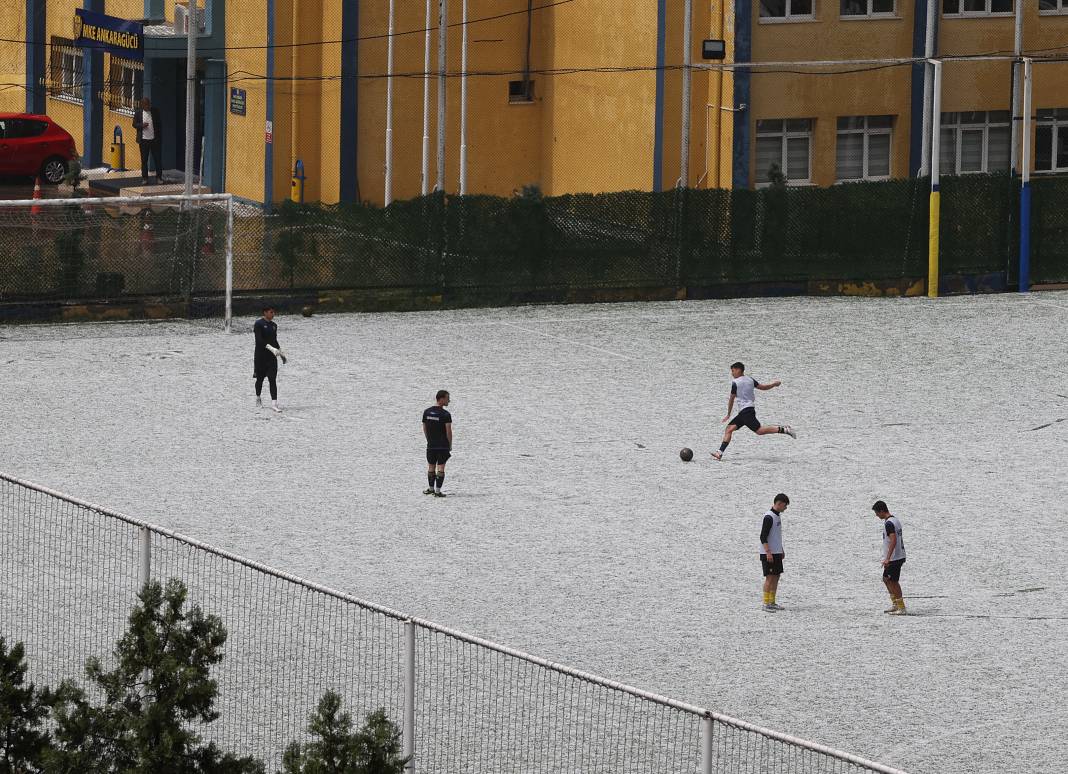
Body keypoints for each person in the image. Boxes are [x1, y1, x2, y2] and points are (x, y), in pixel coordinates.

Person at [712, 361, 796, 460]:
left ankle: (785, 429)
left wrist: (728, 414)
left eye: (733, 371)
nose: (732, 373)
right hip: (746, 411)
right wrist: (774, 384)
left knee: (759, 431)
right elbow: (763, 387)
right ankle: (719, 452)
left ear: (739, 370)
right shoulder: (750, 380)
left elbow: (731, 398)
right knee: (729, 429)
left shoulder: (735, 383)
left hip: (746, 412)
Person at [873, 500, 907, 615]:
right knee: (886, 579)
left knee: (893, 581)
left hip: (894, 558)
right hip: (896, 556)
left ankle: (901, 607)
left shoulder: (889, 523)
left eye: (877, 513)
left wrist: (888, 558)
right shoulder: (895, 520)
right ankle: (895, 604)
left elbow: (893, 540)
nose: (876, 515)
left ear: (882, 511)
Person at [253, 305, 285, 412]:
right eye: (271, 312)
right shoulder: (258, 324)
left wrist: (281, 353)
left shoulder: (274, 325)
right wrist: (272, 349)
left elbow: (274, 340)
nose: (273, 314)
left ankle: (274, 403)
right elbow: (259, 341)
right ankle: (258, 397)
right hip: (261, 357)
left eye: (273, 312)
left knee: (272, 379)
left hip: (271, 358)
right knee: (260, 380)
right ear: (265, 312)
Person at [422, 390, 452, 498]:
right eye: (447, 398)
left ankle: (430, 489)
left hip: (431, 444)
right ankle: (438, 491)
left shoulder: (427, 412)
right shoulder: (445, 414)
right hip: (442, 445)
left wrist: (428, 440)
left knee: (431, 466)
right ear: (441, 399)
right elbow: (448, 431)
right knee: (441, 467)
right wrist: (449, 444)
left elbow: (424, 428)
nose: (449, 400)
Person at [132, 97, 164, 186]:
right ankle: (145, 178)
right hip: (143, 141)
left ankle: (159, 177)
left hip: (154, 140)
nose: (148, 106)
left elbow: (159, 124)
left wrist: (159, 138)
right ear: (142, 105)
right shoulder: (138, 113)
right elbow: (134, 124)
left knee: (157, 159)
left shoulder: (155, 111)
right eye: (146, 104)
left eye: (149, 104)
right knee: (144, 160)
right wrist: (141, 125)